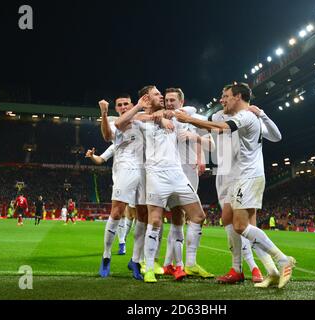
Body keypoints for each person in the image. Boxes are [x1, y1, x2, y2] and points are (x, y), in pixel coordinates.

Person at [175, 82, 296, 289]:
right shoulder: (240, 116)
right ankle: (269, 271)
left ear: (238, 97)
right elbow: (214, 124)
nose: (223, 100)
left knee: (241, 226)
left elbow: (224, 127)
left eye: (227, 96)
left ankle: (282, 259)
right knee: (232, 219)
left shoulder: (246, 116)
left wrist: (188, 120)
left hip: (247, 177)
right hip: (238, 176)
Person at [116, 85, 214, 283]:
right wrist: (150, 114)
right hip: (155, 175)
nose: (162, 97)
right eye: (157, 94)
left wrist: (166, 115)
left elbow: (192, 113)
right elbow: (119, 123)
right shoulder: (141, 120)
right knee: (155, 221)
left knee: (198, 216)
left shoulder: (175, 115)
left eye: (162, 95)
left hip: (177, 175)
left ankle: (189, 264)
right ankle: (150, 268)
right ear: (146, 98)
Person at [161, 88, 214, 280]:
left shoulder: (193, 119)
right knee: (178, 219)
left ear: (181, 102)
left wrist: (196, 140)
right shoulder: (165, 119)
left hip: (191, 174)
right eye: (166, 100)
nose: (169, 103)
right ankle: (181, 265)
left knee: (185, 219)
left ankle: (169, 264)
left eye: (173, 100)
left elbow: (212, 144)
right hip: (174, 174)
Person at [95, 95, 150, 280]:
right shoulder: (113, 121)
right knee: (117, 212)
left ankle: (135, 260)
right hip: (125, 168)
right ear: (116, 108)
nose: (123, 106)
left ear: (132, 104)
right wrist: (104, 112)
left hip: (145, 169)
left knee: (143, 215)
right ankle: (106, 256)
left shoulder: (140, 118)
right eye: (120, 105)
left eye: (126, 103)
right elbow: (107, 136)